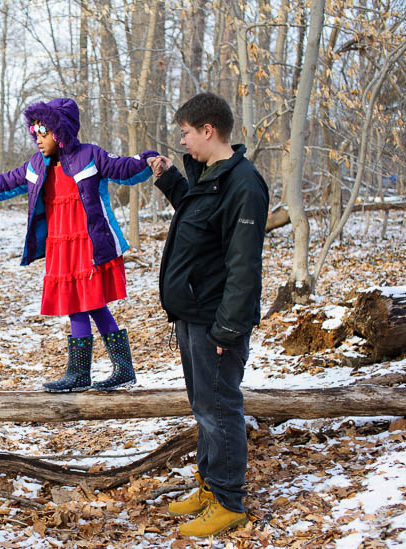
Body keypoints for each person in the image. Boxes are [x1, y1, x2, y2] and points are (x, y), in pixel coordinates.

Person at [0, 98, 158, 392]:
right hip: (61, 247)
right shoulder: (36, 166)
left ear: (60, 132)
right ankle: (109, 370)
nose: (38, 140)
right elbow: (3, 182)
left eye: (43, 133)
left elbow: (122, 167)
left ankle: (94, 372)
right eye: (35, 134)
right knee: (84, 305)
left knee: (88, 304)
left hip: (89, 244)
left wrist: (148, 159)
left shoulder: (89, 155)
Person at [149, 92, 268, 538]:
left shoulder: (243, 183)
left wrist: (229, 328)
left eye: (185, 132)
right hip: (193, 316)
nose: (181, 142)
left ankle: (229, 502)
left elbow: (244, 265)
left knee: (220, 409)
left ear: (207, 130)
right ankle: (208, 487)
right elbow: (199, 220)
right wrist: (170, 180)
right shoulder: (212, 177)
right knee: (204, 408)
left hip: (215, 321)